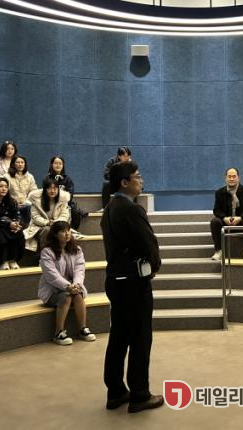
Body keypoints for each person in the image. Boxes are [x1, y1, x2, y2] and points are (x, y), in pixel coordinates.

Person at [101, 161, 163, 413]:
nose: (141, 180)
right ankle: (140, 394)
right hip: (134, 283)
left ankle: (115, 391)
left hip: (115, 280)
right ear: (124, 182)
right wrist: (154, 266)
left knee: (118, 336)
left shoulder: (109, 208)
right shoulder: (131, 208)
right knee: (140, 338)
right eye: (137, 176)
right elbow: (148, 243)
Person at [38, 221, 96, 346]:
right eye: (62, 231)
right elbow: (52, 275)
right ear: (55, 234)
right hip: (52, 291)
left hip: (73, 287)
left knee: (78, 295)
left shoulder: (77, 250)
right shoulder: (47, 252)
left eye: (68, 230)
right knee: (66, 296)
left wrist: (77, 284)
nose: (67, 234)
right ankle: (58, 333)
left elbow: (80, 269)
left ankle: (83, 329)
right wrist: (67, 286)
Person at [210, 168, 243, 261]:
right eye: (229, 176)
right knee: (214, 221)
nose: (231, 179)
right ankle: (218, 251)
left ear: (238, 178)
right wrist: (224, 218)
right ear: (225, 178)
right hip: (226, 221)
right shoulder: (219, 192)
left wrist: (240, 218)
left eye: (234, 176)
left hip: (240, 221)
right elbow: (216, 210)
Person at [23, 177, 71, 252]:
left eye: (55, 188)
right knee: (47, 230)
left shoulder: (63, 199)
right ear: (45, 189)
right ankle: (44, 255)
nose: (52, 191)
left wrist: (55, 223)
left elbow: (64, 215)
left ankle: (63, 255)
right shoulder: (36, 199)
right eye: (49, 188)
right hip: (39, 227)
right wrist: (48, 223)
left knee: (66, 233)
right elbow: (35, 217)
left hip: (58, 226)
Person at [47, 155, 86, 230]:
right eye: (56, 163)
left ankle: (71, 230)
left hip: (64, 203)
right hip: (51, 203)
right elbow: (45, 193)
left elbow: (70, 194)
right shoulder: (47, 178)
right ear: (52, 165)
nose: (58, 165)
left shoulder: (67, 179)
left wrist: (63, 202)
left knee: (73, 210)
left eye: (60, 163)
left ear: (63, 165)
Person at [7, 154, 38, 224]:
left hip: (26, 204)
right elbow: (5, 194)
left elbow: (34, 192)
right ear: (13, 164)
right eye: (18, 162)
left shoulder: (30, 177)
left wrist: (26, 202)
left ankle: (29, 227)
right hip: (12, 205)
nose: (20, 164)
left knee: (29, 207)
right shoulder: (7, 177)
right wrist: (14, 203)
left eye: (22, 162)